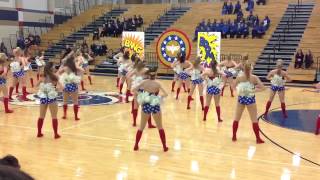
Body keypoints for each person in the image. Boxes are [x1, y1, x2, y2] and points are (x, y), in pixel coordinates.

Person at [132, 67, 169, 152]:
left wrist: (144, 95)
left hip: (146, 104)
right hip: (155, 104)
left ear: (148, 75)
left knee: (141, 126)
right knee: (160, 127)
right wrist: (157, 97)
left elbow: (133, 90)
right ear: (155, 75)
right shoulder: (158, 83)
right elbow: (166, 94)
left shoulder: (143, 82)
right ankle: (164, 147)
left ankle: (136, 145)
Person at [232, 61, 265, 144]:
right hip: (250, 99)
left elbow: (233, 87)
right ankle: (258, 139)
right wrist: (253, 90)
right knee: (254, 120)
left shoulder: (239, 77)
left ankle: (234, 136)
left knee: (236, 118)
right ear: (251, 69)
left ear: (243, 68)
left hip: (241, 98)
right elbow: (263, 88)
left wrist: (240, 90)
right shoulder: (254, 77)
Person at [128, 60, 156, 128]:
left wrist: (134, 80)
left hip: (136, 89)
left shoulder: (135, 70)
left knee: (135, 107)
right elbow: (152, 76)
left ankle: (134, 122)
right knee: (147, 107)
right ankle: (149, 124)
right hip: (144, 90)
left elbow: (128, 76)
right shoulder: (146, 69)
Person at [36, 62, 60, 139]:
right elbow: (58, 87)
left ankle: (39, 133)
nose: (55, 67)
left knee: (41, 116)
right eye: (54, 66)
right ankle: (56, 134)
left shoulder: (43, 75)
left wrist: (43, 86)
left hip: (43, 97)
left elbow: (36, 85)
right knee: (54, 116)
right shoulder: (55, 76)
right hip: (52, 97)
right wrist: (56, 89)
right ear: (51, 68)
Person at [58, 55, 83, 121]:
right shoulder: (74, 67)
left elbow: (59, 72)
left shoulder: (65, 67)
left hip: (66, 85)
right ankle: (76, 116)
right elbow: (82, 70)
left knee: (65, 101)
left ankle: (64, 114)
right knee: (75, 102)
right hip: (73, 85)